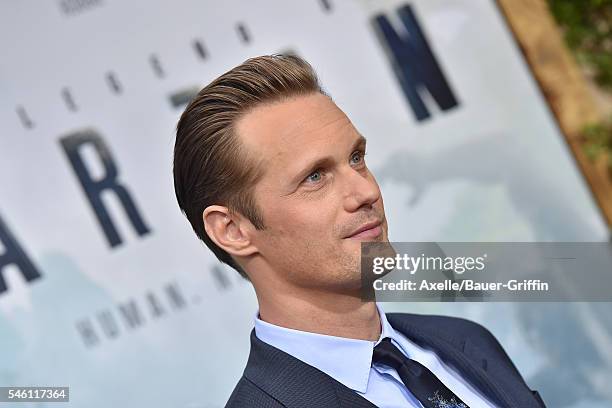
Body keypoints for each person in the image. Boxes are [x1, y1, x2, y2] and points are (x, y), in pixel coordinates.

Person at [173, 54, 546, 408]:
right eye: (315, 177)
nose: (366, 192)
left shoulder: (465, 341)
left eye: (356, 159)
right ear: (232, 230)